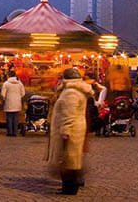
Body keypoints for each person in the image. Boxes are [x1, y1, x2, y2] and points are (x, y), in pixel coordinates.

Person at [46, 67, 97, 195]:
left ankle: (69, 188)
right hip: (77, 128)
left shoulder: (70, 93)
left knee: (68, 159)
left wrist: (65, 130)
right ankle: (71, 185)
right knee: (71, 159)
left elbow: (69, 113)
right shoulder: (74, 90)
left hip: (70, 130)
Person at [0, 70, 27, 136]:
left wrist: (2, 102)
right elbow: (23, 94)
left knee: (9, 117)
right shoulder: (20, 83)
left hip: (8, 102)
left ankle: (10, 132)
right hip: (17, 102)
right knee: (16, 118)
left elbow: (3, 94)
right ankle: (15, 132)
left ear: (8, 75)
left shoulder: (6, 83)